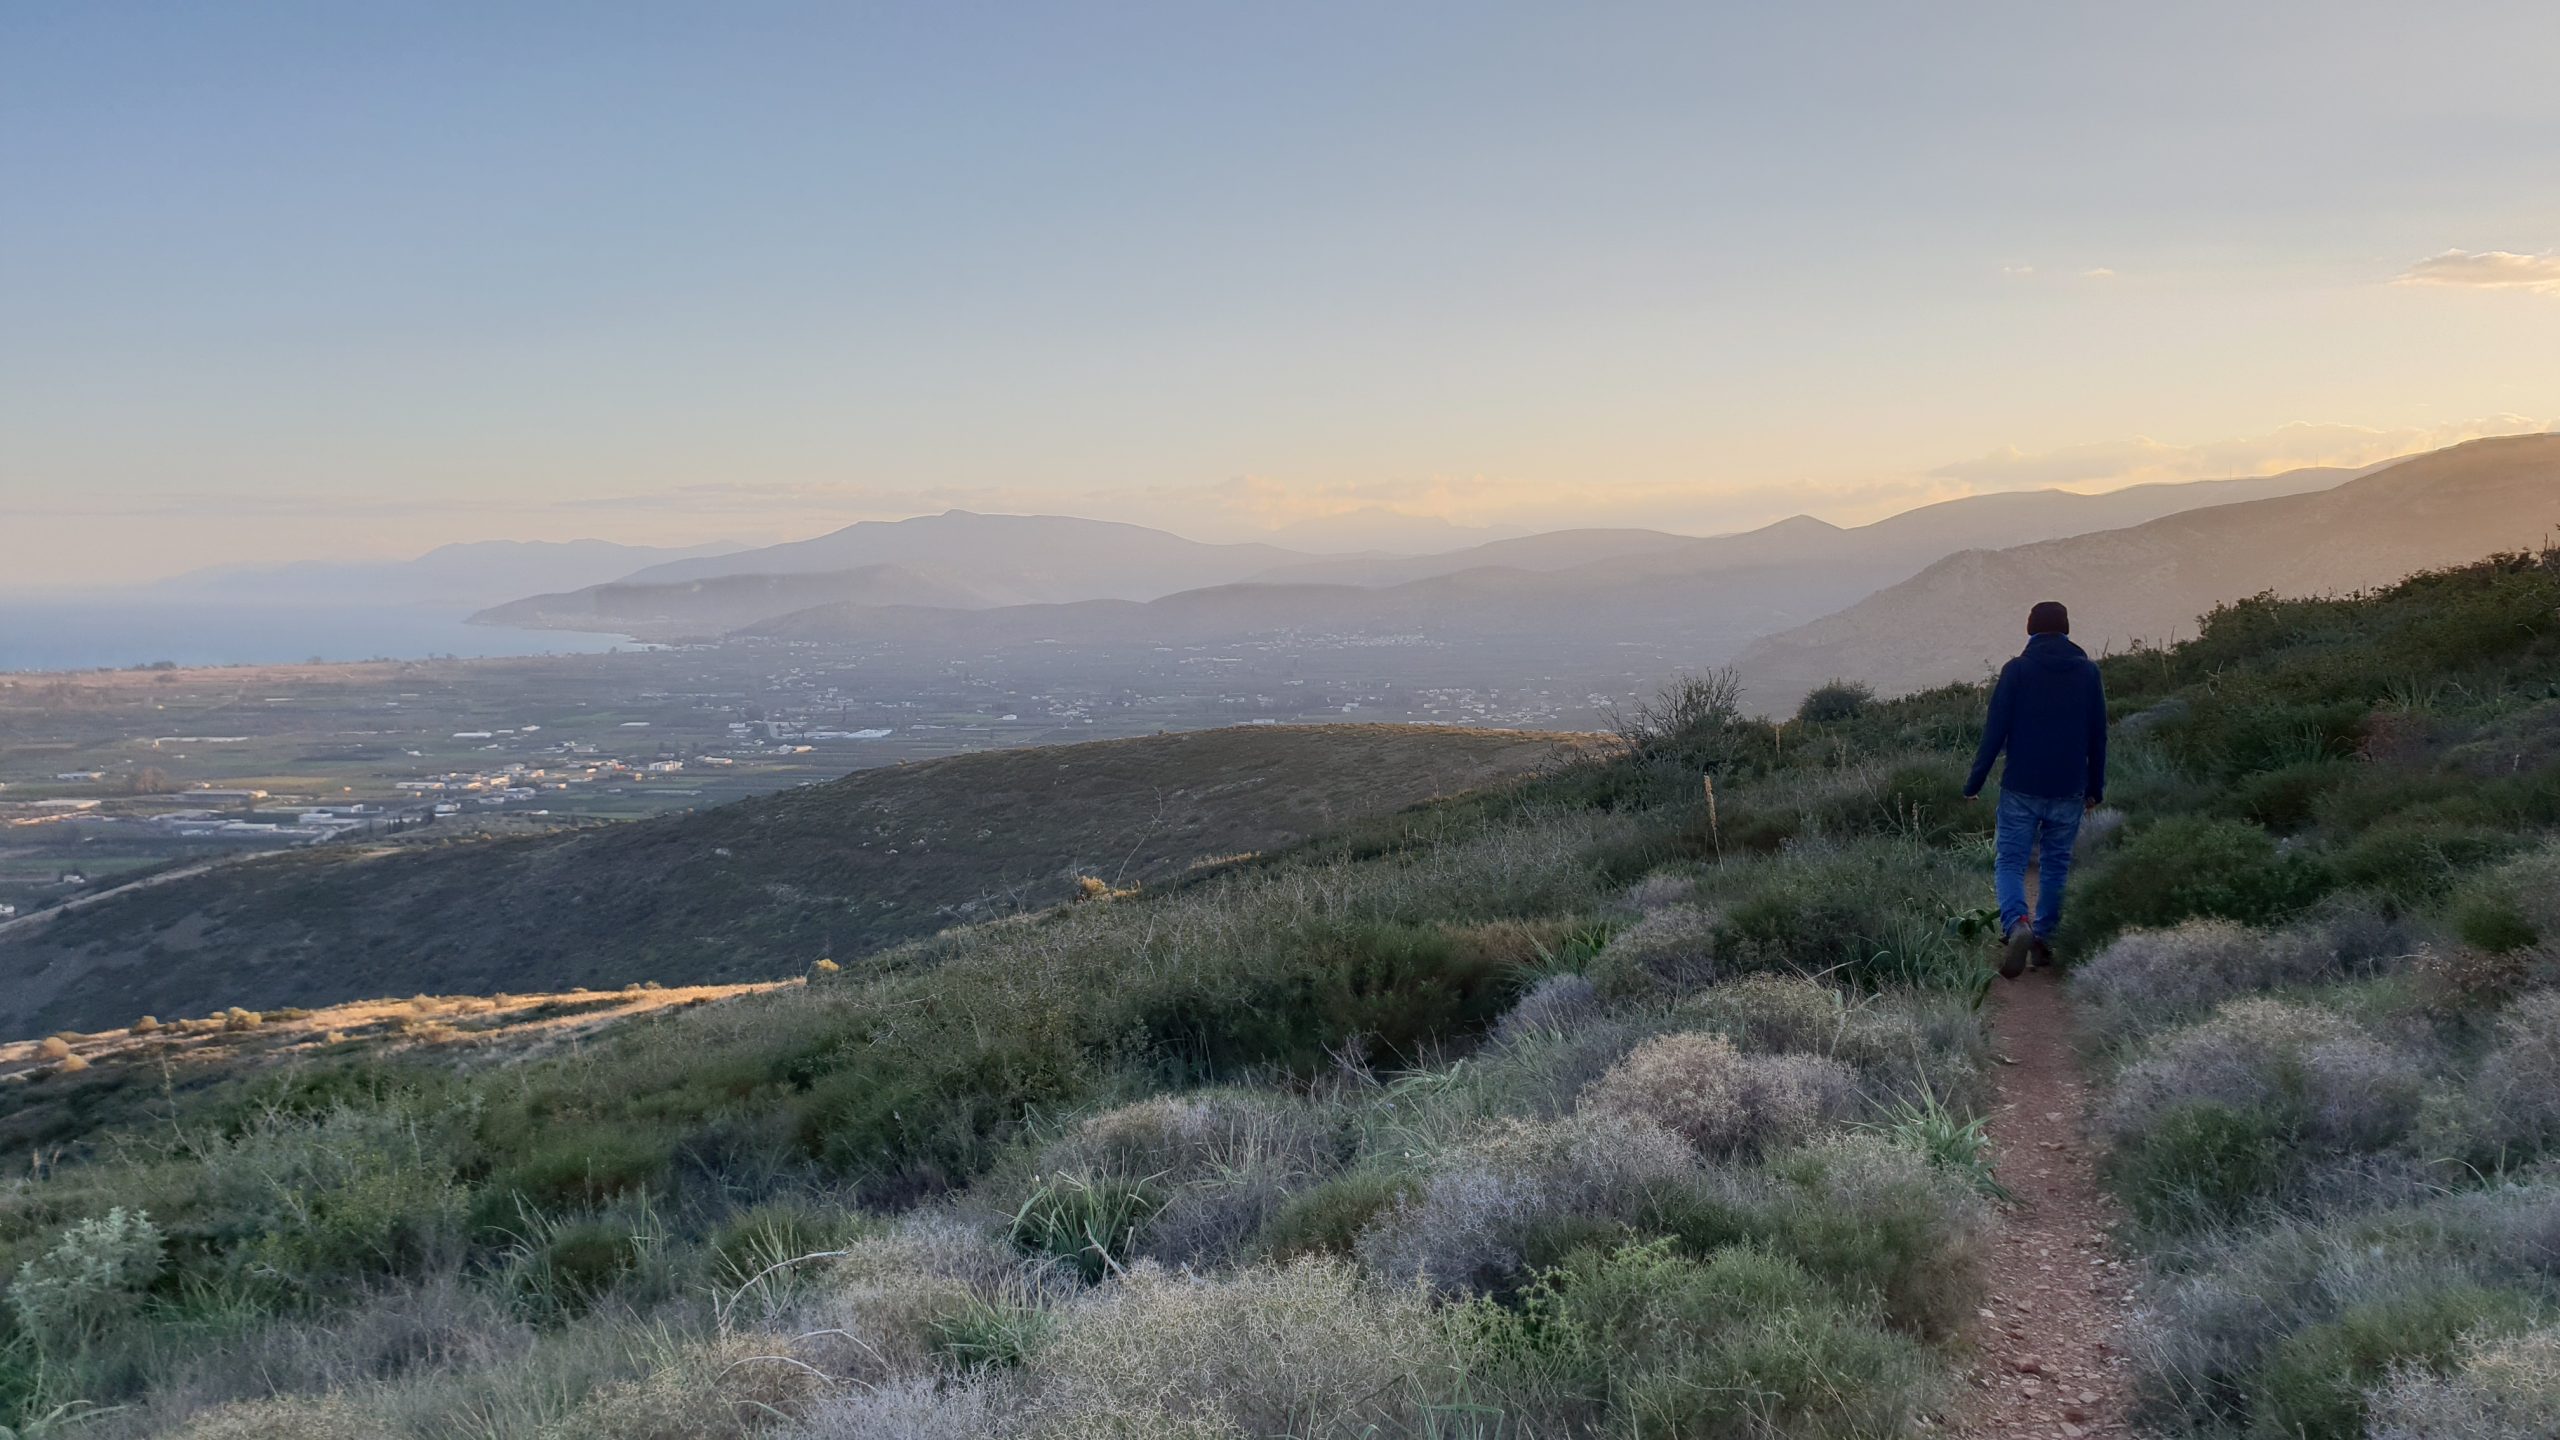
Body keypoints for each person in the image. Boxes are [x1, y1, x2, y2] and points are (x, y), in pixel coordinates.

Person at [1963, 600, 2107, 978]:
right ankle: (2043, 940)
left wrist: (1974, 783)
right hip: (2069, 787)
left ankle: (2016, 926)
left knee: (2010, 861)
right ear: (2067, 628)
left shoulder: (2017, 670)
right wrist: (2095, 788)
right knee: (2056, 865)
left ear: (2030, 628)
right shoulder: (2089, 673)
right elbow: (2098, 735)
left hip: (2021, 786)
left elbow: (1995, 731)